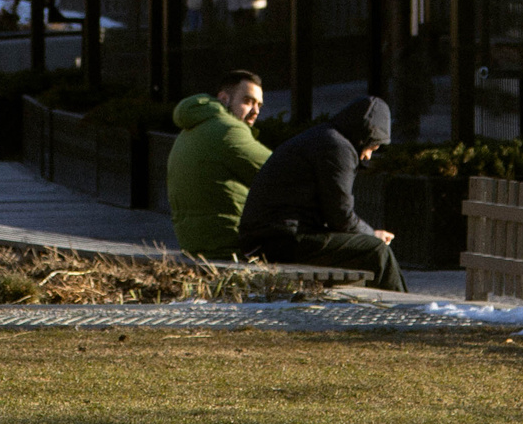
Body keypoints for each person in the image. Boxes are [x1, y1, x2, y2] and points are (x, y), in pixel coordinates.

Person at [235, 95, 405, 291]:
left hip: (267, 238)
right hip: (278, 241)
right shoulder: (337, 148)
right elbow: (340, 216)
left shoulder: (324, 138)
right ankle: (407, 314)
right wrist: (373, 235)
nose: (368, 156)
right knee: (377, 251)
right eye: (372, 147)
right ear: (364, 136)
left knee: (371, 247)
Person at [167, 70, 272, 259]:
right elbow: (280, 173)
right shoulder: (228, 130)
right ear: (224, 98)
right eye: (248, 101)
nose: (255, 111)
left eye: (259, 104)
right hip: (231, 243)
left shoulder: (191, 128)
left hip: (194, 242)